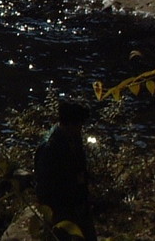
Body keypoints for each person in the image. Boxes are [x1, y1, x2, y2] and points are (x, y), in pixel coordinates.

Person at [34, 99, 97, 241]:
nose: (81, 128)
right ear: (68, 124)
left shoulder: (73, 136)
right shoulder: (49, 148)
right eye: (79, 124)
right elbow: (44, 186)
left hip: (78, 201)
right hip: (61, 207)